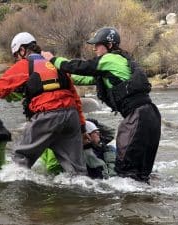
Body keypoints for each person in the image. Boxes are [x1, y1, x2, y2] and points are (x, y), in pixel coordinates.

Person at [42, 27, 161, 182]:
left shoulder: (110, 59)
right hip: (150, 116)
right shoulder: (115, 64)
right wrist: (66, 77)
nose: (94, 48)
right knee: (141, 173)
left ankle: (129, 203)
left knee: (125, 171)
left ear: (109, 45)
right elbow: (84, 78)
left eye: (97, 45)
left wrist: (53, 59)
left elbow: (81, 67)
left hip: (137, 117)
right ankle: (143, 202)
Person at [0, 32, 87, 174]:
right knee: (77, 171)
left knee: (20, 159)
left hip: (47, 116)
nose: (16, 59)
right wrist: (82, 128)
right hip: (71, 117)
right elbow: (75, 97)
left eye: (16, 55)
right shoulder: (55, 63)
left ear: (22, 50)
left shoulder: (25, 65)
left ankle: (20, 190)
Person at [41, 119, 117, 179]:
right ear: (87, 135)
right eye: (96, 133)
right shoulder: (65, 147)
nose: (99, 135)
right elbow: (53, 168)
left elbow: (111, 133)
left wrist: (93, 122)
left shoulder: (101, 145)